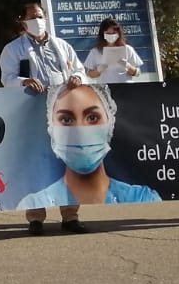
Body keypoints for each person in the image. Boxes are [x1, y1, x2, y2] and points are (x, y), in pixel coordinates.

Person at [0, 3, 88, 236]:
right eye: (32, 17)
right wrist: (24, 81)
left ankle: (70, 216)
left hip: (63, 111)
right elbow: (7, 78)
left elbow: (79, 69)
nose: (37, 20)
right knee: (36, 165)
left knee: (67, 163)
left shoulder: (62, 46)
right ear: (23, 21)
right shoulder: (13, 49)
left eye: (40, 16)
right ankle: (36, 218)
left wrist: (78, 77)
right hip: (32, 114)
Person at [16, 82, 161, 214]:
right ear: (51, 129)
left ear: (110, 123)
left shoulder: (142, 198)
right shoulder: (35, 203)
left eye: (92, 118)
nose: (80, 130)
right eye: (66, 119)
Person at [83, 18, 143, 85]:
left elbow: (138, 73)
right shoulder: (95, 51)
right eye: (108, 33)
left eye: (114, 33)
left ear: (118, 34)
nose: (111, 35)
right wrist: (99, 69)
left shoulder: (127, 49)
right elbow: (90, 74)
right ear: (103, 34)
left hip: (126, 87)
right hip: (105, 89)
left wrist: (128, 66)